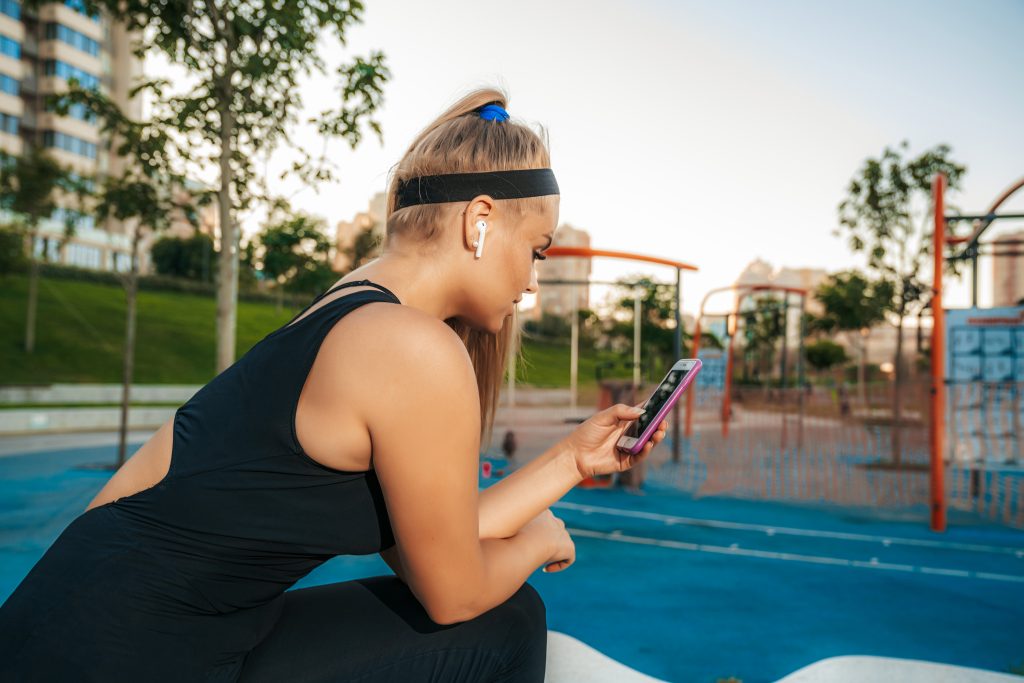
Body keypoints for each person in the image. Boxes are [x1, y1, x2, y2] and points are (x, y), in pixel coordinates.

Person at [0, 89, 667, 682]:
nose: (531, 282)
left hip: (75, 625)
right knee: (509, 622)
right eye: (538, 249)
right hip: (120, 653)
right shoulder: (415, 348)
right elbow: (453, 592)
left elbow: (431, 539)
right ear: (480, 220)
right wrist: (540, 541)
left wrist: (573, 459)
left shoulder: (351, 310)